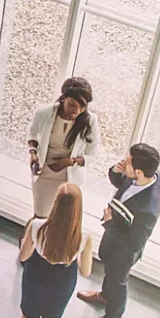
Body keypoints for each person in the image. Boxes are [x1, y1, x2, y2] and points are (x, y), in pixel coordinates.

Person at [79, 144, 160, 318]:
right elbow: (122, 184)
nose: (124, 162)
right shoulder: (150, 175)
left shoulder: (147, 211)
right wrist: (116, 171)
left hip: (123, 252)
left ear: (139, 172)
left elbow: (134, 244)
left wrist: (110, 224)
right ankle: (105, 296)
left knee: (117, 281)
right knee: (109, 273)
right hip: (114, 240)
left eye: (129, 162)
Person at [17, 184, 94, 318]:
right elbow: (86, 271)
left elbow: (23, 256)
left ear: (55, 203)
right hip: (63, 279)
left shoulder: (37, 226)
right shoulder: (84, 237)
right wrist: (75, 255)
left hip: (36, 272)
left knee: (29, 315)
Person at [27, 78, 100, 219]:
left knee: (60, 220)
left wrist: (70, 162)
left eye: (82, 106)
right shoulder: (44, 112)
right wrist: (33, 153)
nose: (76, 110)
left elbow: (93, 153)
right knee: (39, 216)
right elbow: (33, 132)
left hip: (69, 177)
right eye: (72, 104)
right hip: (44, 172)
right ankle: (31, 234)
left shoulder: (90, 120)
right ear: (63, 98)